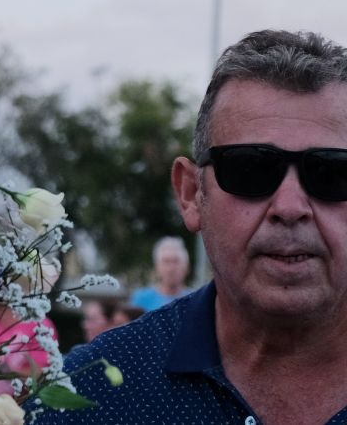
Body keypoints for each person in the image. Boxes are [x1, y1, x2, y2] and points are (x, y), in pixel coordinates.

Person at [32, 30, 347, 424]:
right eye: (250, 169)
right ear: (190, 193)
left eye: (333, 172)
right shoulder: (90, 396)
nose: (289, 207)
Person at [128, 236, 192, 311]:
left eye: (176, 261)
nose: (171, 268)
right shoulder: (140, 300)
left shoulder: (194, 299)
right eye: (166, 262)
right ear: (157, 267)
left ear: (186, 267)